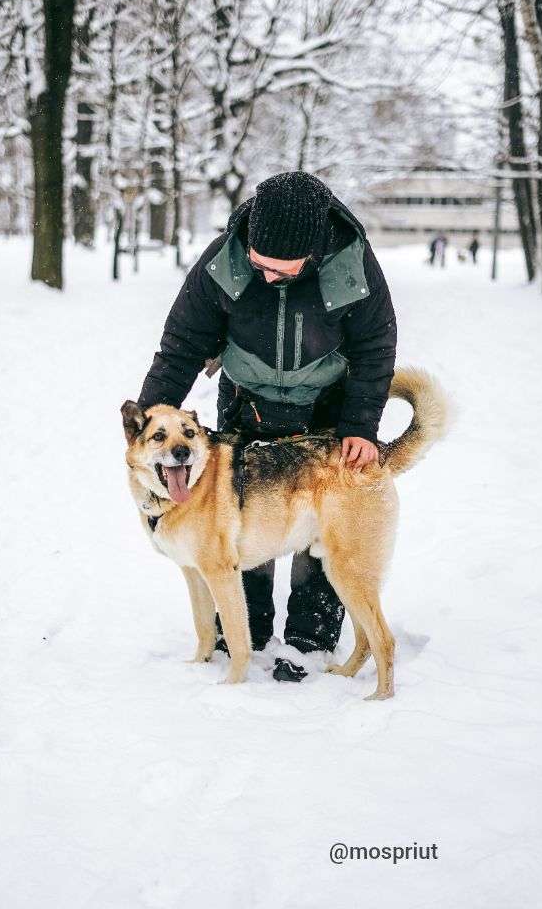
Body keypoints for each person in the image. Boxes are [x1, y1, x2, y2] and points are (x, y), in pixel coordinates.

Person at [137, 171, 397, 682]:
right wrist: (150, 419)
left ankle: (309, 640)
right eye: (260, 265)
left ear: (313, 254)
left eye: (281, 269)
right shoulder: (225, 259)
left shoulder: (352, 263)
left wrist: (361, 426)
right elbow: (183, 344)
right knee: (242, 520)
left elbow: (375, 347)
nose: (268, 275)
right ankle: (248, 629)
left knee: (321, 532)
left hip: (326, 408)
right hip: (247, 405)